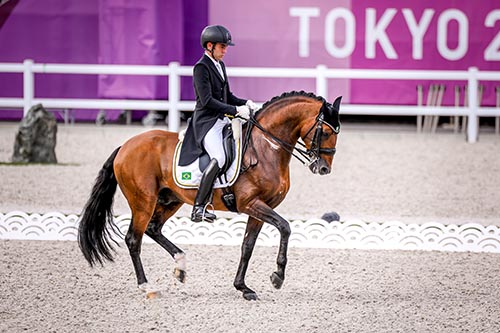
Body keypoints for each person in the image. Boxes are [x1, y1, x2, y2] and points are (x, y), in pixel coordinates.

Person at [178, 25, 258, 222]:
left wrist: (243, 103)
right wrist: (234, 111)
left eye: (226, 46)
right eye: (222, 46)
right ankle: (198, 207)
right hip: (206, 122)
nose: (225, 50)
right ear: (210, 45)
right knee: (220, 157)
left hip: (222, 120)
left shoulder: (220, 65)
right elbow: (207, 101)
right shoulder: (201, 68)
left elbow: (227, 96)